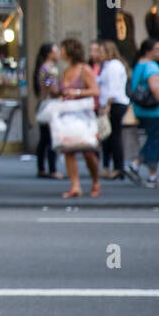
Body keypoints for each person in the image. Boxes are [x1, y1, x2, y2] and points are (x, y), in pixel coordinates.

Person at [58, 38, 100, 199]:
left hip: (83, 116)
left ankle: (95, 181)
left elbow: (95, 91)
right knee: (68, 150)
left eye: (63, 49)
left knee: (88, 151)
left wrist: (76, 93)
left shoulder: (84, 69)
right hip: (68, 115)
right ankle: (75, 185)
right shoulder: (66, 70)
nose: (61, 52)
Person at [127, 38, 159, 189]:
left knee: (152, 139)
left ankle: (138, 166)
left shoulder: (140, 64)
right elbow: (156, 89)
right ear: (148, 50)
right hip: (155, 110)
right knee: (155, 140)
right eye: (156, 49)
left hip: (142, 109)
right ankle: (151, 174)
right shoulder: (151, 67)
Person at [92, 39, 130, 180]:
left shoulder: (114, 66)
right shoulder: (108, 65)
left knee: (115, 136)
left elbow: (112, 89)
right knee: (110, 136)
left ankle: (118, 167)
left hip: (114, 104)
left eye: (101, 51)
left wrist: (106, 106)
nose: (99, 54)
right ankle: (111, 167)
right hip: (111, 103)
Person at [32, 42, 61, 180]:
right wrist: (61, 91)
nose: (59, 53)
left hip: (44, 104)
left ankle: (42, 168)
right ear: (49, 54)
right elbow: (51, 86)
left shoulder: (44, 67)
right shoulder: (49, 68)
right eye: (56, 51)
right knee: (50, 138)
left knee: (44, 139)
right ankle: (52, 169)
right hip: (49, 104)